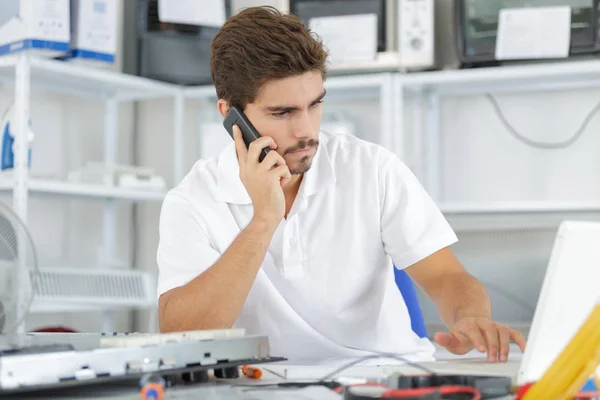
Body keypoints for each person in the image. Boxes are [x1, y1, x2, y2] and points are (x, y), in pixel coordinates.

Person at [156, 6, 526, 363]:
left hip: (383, 375)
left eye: (314, 104)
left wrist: (471, 316)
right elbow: (181, 334)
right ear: (230, 115)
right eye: (282, 113)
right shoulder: (192, 200)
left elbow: (447, 276)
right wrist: (264, 221)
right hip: (264, 386)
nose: (305, 130)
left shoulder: (371, 168)